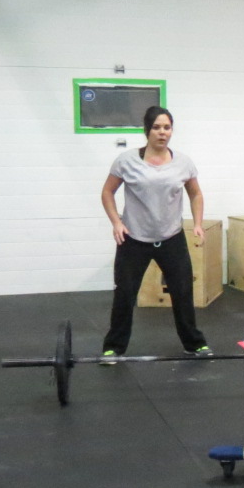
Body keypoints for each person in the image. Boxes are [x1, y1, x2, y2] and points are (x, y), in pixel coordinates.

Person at [100, 106, 211, 358]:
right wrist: (116, 222)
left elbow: (196, 193)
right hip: (133, 239)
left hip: (171, 238)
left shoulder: (183, 163)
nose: (162, 132)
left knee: (183, 293)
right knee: (124, 295)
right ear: (147, 130)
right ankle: (113, 348)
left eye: (167, 127)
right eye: (157, 127)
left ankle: (194, 344)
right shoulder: (126, 161)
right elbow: (107, 192)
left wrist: (197, 223)